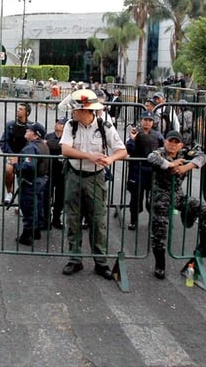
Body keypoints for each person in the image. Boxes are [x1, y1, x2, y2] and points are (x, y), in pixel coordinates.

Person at [59, 89, 127, 280]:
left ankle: (101, 262)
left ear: (86, 111)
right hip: (74, 174)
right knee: (73, 218)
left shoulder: (104, 126)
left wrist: (110, 159)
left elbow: (122, 150)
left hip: (95, 178)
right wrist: (89, 156)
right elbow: (65, 149)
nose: (73, 112)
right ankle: (75, 259)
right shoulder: (70, 126)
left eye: (77, 109)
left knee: (97, 220)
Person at [147, 130, 206, 279]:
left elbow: (203, 156)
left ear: (181, 145)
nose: (172, 145)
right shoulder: (160, 153)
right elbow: (152, 158)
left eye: (176, 143)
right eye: (170, 142)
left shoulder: (185, 153)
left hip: (178, 196)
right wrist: (170, 164)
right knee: (159, 232)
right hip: (161, 198)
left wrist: (187, 167)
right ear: (165, 142)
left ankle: (205, 245)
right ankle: (160, 264)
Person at [125, 111, 164, 229]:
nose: (147, 122)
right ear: (141, 120)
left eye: (150, 120)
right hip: (137, 170)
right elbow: (129, 150)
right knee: (135, 198)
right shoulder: (135, 133)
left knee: (152, 199)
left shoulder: (157, 135)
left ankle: (153, 221)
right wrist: (132, 139)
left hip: (152, 170)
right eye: (145, 120)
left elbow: (163, 149)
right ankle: (133, 221)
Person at [15, 122, 50, 244]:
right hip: (41, 180)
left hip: (31, 181)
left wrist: (16, 165)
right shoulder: (43, 146)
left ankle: (27, 235)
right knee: (38, 206)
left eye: (29, 130)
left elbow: (28, 166)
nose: (26, 131)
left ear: (36, 136)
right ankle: (36, 231)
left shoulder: (31, 148)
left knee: (28, 207)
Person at [0, 102, 31, 205]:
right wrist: (11, 154)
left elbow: (33, 144)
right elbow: (3, 141)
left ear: (27, 113)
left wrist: (24, 155)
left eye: (21, 109)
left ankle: (22, 201)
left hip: (26, 156)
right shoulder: (10, 125)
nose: (18, 110)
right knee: (8, 170)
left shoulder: (31, 127)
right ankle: (9, 193)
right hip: (13, 155)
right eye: (18, 109)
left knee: (25, 177)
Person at [45, 118, 67, 229]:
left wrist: (49, 144)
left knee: (60, 197)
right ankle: (46, 219)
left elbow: (64, 148)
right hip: (49, 170)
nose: (57, 124)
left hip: (62, 172)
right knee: (47, 196)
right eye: (57, 122)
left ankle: (56, 218)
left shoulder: (67, 137)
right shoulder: (48, 136)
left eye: (60, 123)